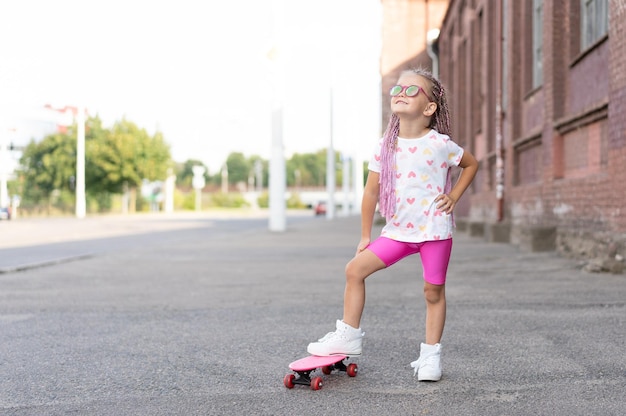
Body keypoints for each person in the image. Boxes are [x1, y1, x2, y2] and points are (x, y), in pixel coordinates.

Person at [307, 67, 478, 381]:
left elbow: (471, 163)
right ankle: (348, 334)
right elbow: (371, 191)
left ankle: (430, 357)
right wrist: (364, 235)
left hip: (434, 232)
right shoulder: (385, 145)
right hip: (398, 232)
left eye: (412, 90)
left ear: (429, 108)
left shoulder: (440, 143)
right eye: (397, 89)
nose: (401, 93)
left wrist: (453, 196)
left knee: (432, 291)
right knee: (354, 270)